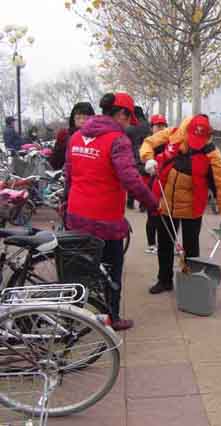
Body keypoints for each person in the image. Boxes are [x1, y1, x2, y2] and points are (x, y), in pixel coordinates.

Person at [65, 92, 159, 330]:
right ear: (121, 114)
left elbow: (68, 175)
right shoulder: (118, 140)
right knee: (111, 272)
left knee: (79, 270)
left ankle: (70, 317)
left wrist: (66, 206)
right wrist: (152, 202)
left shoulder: (76, 136)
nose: (129, 125)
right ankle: (112, 317)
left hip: (76, 215)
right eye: (129, 119)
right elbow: (130, 179)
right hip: (104, 220)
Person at [140, 114, 221, 295]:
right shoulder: (173, 134)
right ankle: (164, 280)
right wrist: (148, 158)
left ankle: (190, 283)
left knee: (191, 249)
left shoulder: (212, 154)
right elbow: (148, 142)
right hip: (167, 202)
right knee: (165, 245)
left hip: (193, 207)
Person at [143, 114, 168, 255]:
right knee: (153, 215)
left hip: (166, 183)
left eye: (163, 125)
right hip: (151, 183)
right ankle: (151, 244)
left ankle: (166, 243)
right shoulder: (147, 144)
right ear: (151, 128)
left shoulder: (170, 143)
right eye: (157, 126)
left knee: (166, 215)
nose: (160, 128)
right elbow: (139, 163)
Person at [50, 102, 96, 170]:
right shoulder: (65, 135)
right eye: (78, 118)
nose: (82, 121)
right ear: (73, 119)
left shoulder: (97, 135)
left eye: (85, 118)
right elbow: (55, 162)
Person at [125, 106, 151, 210]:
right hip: (145, 156)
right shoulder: (148, 126)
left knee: (132, 181)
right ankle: (143, 204)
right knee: (145, 182)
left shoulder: (131, 127)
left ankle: (130, 202)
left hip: (133, 157)